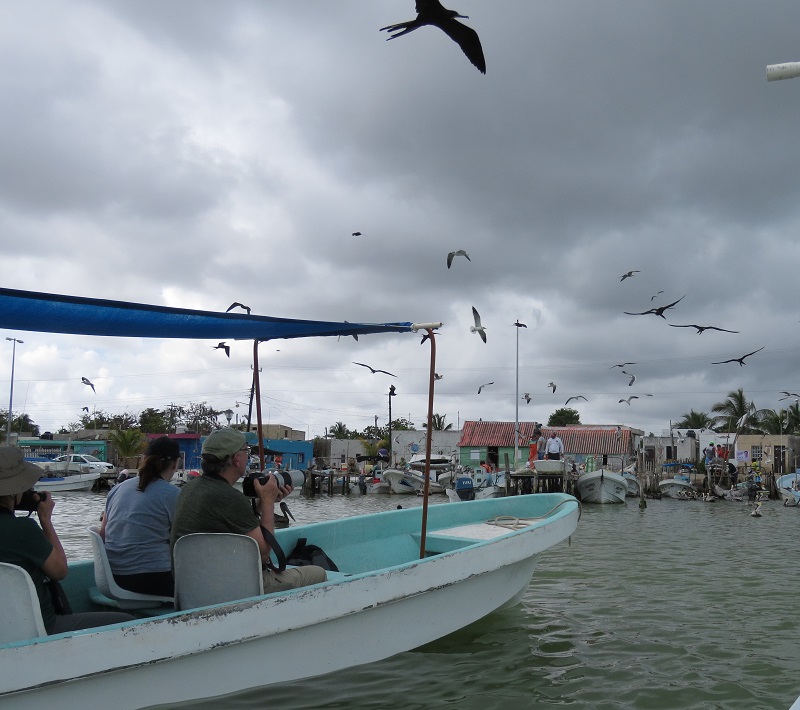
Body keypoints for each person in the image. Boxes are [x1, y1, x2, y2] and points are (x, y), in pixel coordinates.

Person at [170, 429, 326, 593]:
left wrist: (264, 502)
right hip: (235, 588)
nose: (248, 456)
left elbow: (231, 520)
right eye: (247, 451)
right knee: (318, 573)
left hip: (191, 589)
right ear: (237, 459)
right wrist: (267, 503)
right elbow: (264, 554)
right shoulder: (229, 497)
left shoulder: (190, 488)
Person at [0, 446, 134, 634]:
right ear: (14, 492)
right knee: (128, 622)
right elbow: (60, 571)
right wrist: (45, 520)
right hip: (41, 628)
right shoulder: (23, 530)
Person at [100, 436, 182, 596]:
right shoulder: (172, 494)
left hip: (114, 577)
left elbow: (103, 534)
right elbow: (185, 540)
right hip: (151, 580)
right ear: (175, 463)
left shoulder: (117, 489)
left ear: (144, 460)